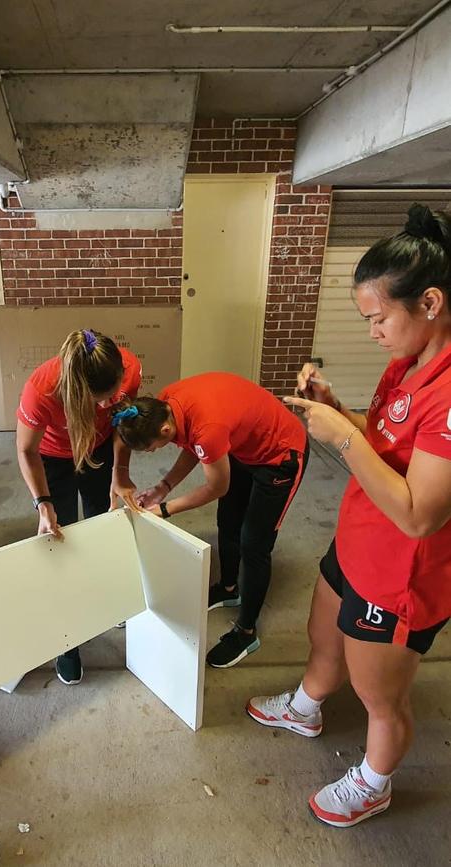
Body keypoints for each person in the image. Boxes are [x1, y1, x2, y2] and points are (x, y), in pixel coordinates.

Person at [247, 203, 451, 828]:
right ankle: (307, 705)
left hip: (401, 575)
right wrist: (339, 410)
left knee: (380, 699)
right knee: (322, 637)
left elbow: (420, 515)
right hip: (358, 543)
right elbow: (389, 449)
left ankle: (374, 782)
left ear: (431, 304)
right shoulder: (407, 363)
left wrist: (341, 437)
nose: (372, 333)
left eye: (379, 318)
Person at [112, 371, 309, 667]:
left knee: (254, 544)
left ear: (164, 430)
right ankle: (229, 589)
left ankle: (246, 632)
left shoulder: (208, 427)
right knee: (228, 522)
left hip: (280, 455)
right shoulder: (166, 403)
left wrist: (166, 509)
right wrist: (162, 488)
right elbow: (196, 446)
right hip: (244, 447)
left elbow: (217, 486)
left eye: (151, 449)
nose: (153, 453)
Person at [16, 329, 141, 685]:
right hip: (53, 458)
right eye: (98, 400)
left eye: (111, 396)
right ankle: (67, 640)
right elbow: (26, 451)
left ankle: (106, 601)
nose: (106, 406)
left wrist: (121, 471)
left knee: (103, 525)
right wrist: (43, 504)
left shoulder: (128, 368)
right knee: (61, 539)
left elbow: (122, 423)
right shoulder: (41, 390)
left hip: (98, 451)